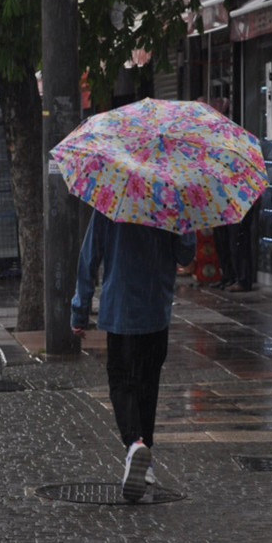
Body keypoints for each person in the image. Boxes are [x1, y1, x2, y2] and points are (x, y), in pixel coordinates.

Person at [70, 212, 196, 502]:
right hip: (156, 307)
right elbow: (185, 255)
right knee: (147, 386)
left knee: (122, 382)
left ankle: (135, 443)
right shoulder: (171, 202)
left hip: (120, 307)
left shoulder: (111, 203)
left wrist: (80, 309)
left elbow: (89, 256)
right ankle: (145, 459)